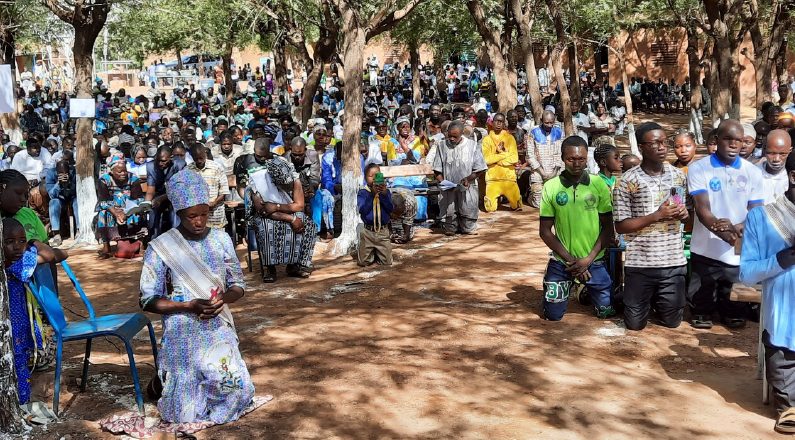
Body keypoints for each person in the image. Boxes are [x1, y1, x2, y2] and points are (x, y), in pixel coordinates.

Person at [139, 169, 255, 424]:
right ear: (179, 213)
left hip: (217, 324)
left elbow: (238, 285)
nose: (199, 221)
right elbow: (147, 300)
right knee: (184, 412)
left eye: (204, 214)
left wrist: (223, 299)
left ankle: (167, 381)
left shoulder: (222, 239)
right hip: (181, 325)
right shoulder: (161, 247)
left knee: (236, 393)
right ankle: (163, 382)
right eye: (192, 216)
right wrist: (188, 305)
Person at [687, 119, 765, 329]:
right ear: (716, 139)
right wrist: (726, 233)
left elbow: (756, 210)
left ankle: (731, 311)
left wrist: (739, 228)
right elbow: (702, 209)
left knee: (734, 305)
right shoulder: (699, 169)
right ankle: (702, 310)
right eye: (727, 139)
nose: (733, 144)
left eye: (738, 140)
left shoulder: (753, 172)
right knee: (702, 298)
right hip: (706, 247)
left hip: (737, 246)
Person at [740, 149, 795, 434]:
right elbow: (747, 274)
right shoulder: (762, 217)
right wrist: (783, 259)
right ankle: (788, 406)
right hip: (784, 327)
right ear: (793, 177)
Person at [613, 122, 689, 330]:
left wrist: (683, 214)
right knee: (635, 324)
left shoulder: (678, 176)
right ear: (641, 147)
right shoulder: (627, 181)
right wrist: (657, 215)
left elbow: (685, 215)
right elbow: (621, 226)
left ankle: (656, 299)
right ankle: (626, 296)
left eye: (664, 142)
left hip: (672, 261)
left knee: (672, 322)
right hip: (640, 263)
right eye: (655, 143)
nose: (662, 147)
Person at [538, 136, 615, 321]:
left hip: (593, 259)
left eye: (581, 159)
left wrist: (587, 260)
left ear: (587, 158)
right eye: (571, 159)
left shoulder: (599, 184)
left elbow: (608, 228)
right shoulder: (551, 187)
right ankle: (560, 279)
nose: (577, 163)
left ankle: (583, 288)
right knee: (553, 315)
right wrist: (572, 261)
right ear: (563, 159)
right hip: (563, 262)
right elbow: (545, 231)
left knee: (605, 311)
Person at [4, 217, 67, 404]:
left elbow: (61, 254)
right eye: (9, 242)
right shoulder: (16, 266)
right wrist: (34, 243)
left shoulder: (16, 262)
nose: (17, 247)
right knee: (19, 365)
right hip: (16, 329)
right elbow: (53, 254)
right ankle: (22, 402)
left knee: (19, 364)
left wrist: (29, 245)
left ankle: (21, 401)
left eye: (22, 241)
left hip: (18, 328)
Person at [246, 154, 317, 282]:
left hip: (281, 210)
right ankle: (270, 268)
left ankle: (295, 265)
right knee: (266, 226)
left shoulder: (294, 178)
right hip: (263, 215)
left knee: (307, 223)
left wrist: (277, 206)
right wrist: (291, 219)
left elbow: (299, 205)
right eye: (284, 185)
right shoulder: (258, 181)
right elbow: (263, 211)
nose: (288, 187)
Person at [432, 121, 487, 236]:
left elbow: (480, 169)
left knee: (468, 227)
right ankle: (451, 224)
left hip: (467, 188)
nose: (451, 139)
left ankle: (467, 224)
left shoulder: (472, 146)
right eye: (449, 136)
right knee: (450, 228)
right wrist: (443, 182)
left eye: (455, 136)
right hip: (448, 189)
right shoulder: (441, 146)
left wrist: (468, 179)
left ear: (462, 134)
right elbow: (437, 170)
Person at [95, 153, 147, 259]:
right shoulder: (104, 180)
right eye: (119, 172)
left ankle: (140, 244)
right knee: (102, 214)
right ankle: (106, 247)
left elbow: (138, 199)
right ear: (112, 171)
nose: (123, 173)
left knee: (139, 213)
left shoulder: (133, 178)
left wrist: (126, 212)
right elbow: (103, 201)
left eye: (125, 171)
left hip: (129, 207)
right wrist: (116, 212)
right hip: (112, 208)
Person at [142, 146, 186, 239]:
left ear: (171, 158)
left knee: (175, 213)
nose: (160, 163)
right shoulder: (151, 166)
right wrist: (145, 204)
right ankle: (154, 239)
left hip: (176, 196)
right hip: (159, 195)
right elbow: (150, 189)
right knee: (152, 212)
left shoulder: (180, 165)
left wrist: (161, 198)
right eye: (158, 160)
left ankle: (177, 238)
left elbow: (179, 188)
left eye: (163, 161)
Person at [482, 113, 522, 212]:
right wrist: (504, 155)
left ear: (504, 123)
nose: (499, 124)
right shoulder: (487, 140)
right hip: (493, 179)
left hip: (509, 178)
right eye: (497, 121)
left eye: (501, 122)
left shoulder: (510, 138)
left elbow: (514, 158)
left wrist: (497, 161)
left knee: (517, 206)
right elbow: (486, 160)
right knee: (490, 208)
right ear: (492, 122)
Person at [357, 164, 394, 266]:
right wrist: (372, 194)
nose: (374, 178)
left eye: (377, 175)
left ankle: (378, 253)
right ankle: (371, 254)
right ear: (365, 178)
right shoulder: (363, 193)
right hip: (368, 232)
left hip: (382, 232)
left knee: (387, 262)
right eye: (371, 176)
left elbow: (390, 209)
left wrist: (384, 195)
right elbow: (362, 210)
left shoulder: (386, 192)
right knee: (363, 262)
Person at [527, 111, 564, 208]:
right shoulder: (533, 132)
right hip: (538, 170)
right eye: (546, 123)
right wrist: (542, 173)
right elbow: (530, 156)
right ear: (541, 120)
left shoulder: (559, 132)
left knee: (559, 201)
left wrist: (554, 172)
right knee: (539, 203)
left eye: (551, 122)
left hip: (555, 170)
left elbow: (560, 154)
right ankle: (530, 195)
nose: (549, 125)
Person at [187, 145, 230, 229]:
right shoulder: (188, 170)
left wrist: (214, 202)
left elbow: (224, 190)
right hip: (196, 214)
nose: (199, 161)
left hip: (215, 214)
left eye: (201, 158)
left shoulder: (217, 167)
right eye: (196, 159)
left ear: (205, 154)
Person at [0, 169, 48, 242]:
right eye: (18, 193)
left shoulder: (28, 214)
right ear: (1, 189)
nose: (23, 199)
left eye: (25, 195)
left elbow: (45, 245)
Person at [44, 150, 78, 246]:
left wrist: (69, 183)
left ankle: (79, 230)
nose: (63, 174)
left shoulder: (74, 172)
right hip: (60, 200)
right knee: (53, 202)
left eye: (65, 172)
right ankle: (56, 234)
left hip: (72, 198)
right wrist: (59, 184)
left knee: (77, 202)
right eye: (60, 172)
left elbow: (78, 191)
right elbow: (51, 195)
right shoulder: (51, 173)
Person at [757, 129, 792, 204]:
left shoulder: (790, 179)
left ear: (789, 151)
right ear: (764, 149)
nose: (776, 159)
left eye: (782, 154)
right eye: (772, 153)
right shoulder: (752, 173)